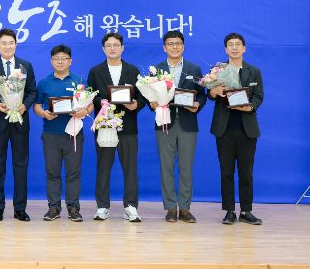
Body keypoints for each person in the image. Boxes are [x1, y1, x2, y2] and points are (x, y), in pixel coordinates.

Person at [0, 28, 37, 222]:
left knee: (21, 165)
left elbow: (32, 92)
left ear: (16, 44)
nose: (7, 46)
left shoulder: (25, 66)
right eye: (3, 43)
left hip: (20, 122)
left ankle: (20, 208)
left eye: (11, 43)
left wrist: (24, 106)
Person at [87, 32, 146, 222]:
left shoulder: (132, 70)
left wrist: (136, 105)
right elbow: (91, 95)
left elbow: (142, 96)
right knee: (103, 166)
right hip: (105, 125)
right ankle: (102, 206)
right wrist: (101, 102)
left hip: (128, 126)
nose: (112, 48)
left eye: (116, 45)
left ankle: (131, 206)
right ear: (103, 49)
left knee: (130, 168)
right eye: (109, 45)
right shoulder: (95, 71)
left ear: (122, 48)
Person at [150, 30, 206, 223]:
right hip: (164, 122)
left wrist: (197, 104)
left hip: (188, 123)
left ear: (183, 46)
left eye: (178, 43)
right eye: (170, 43)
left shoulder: (194, 68)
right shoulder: (156, 70)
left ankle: (184, 208)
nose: (174, 47)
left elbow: (202, 95)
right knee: (166, 167)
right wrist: (152, 103)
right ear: (164, 47)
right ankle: (170, 208)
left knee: (186, 167)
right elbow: (149, 95)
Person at [209, 32, 264, 225]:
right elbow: (209, 94)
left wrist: (250, 107)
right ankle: (230, 211)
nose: (234, 47)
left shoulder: (254, 71)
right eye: (230, 44)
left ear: (244, 48)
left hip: (247, 128)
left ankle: (246, 211)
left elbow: (258, 96)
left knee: (246, 172)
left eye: (238, 44)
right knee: (226, 172)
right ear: (225, 49)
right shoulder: (217, 70)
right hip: (224, 128)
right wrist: (213, 91)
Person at [33, 44, 92, 222]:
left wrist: (85, 112)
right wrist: (43, 113)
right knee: (52, 172)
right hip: (51, 134)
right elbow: (36, 106)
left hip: (73, 133)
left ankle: (73, 208)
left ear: (70, 61)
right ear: (51, 61)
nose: (60, 62)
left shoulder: (79, 81)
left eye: (63, 58)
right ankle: (54, 207)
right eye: (56, 59)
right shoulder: (44, 82)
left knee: (73, 172)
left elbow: (90, 104)